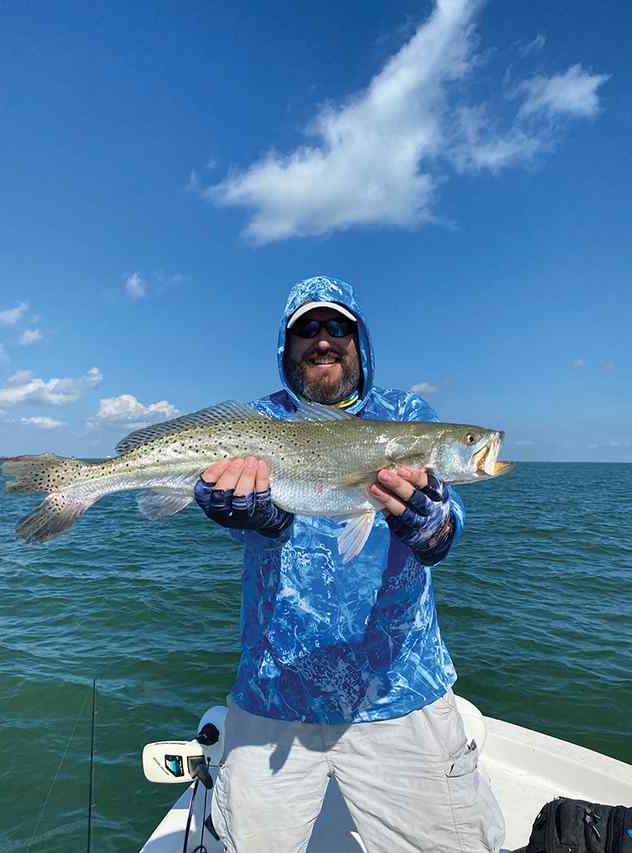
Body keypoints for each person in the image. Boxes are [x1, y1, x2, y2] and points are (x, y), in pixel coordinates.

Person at [194, 276, 505, 853]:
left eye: (338, 326)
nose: (323, 340)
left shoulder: (406, 414)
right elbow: (259, 513)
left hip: (400, 690)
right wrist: (256, 517)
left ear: (360, 340)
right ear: (286, 348)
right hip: (272, 695)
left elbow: (447, 529)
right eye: (306, 329)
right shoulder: (256, 426)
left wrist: (429, 523)